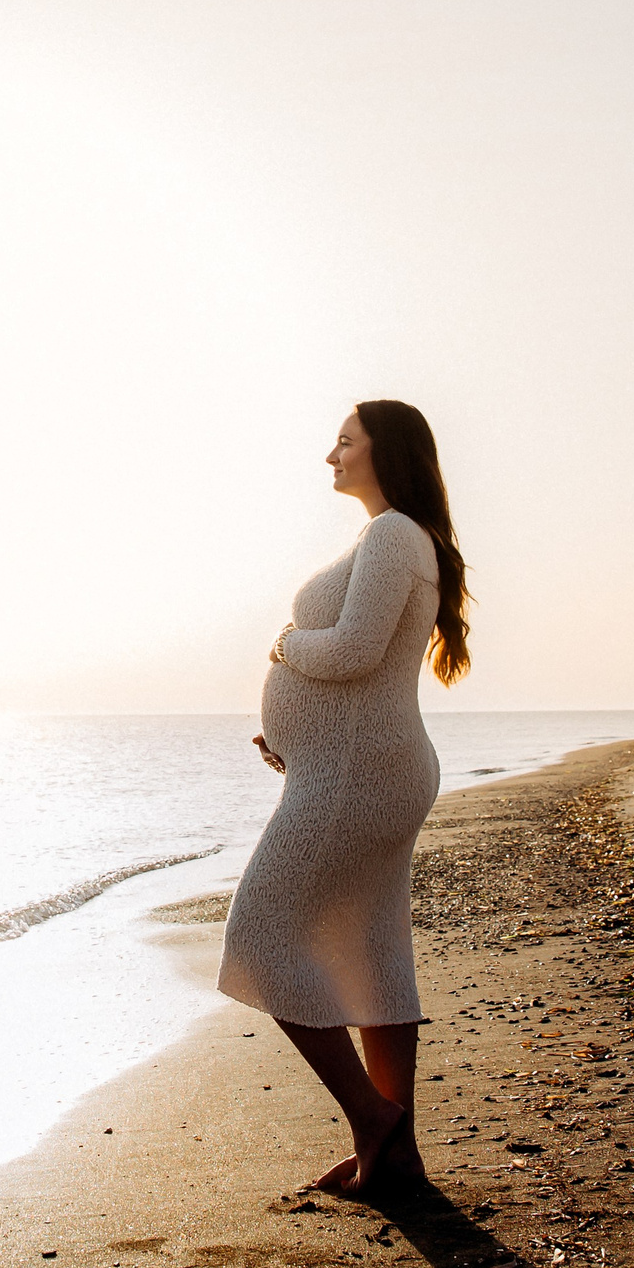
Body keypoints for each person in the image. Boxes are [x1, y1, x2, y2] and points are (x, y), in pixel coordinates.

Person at [218, 399, 472, 1194]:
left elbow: (357, 651)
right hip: (360, 768)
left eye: (344, 441)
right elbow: (368, 673)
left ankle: (373, 1118)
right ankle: (396, 1160)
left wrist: (285, 644)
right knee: (373, 951)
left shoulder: (394, 534)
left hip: (361, 774)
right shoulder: (396, 537)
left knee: (258, 934)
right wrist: (299, 742)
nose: (331, 455)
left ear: (383, 451)